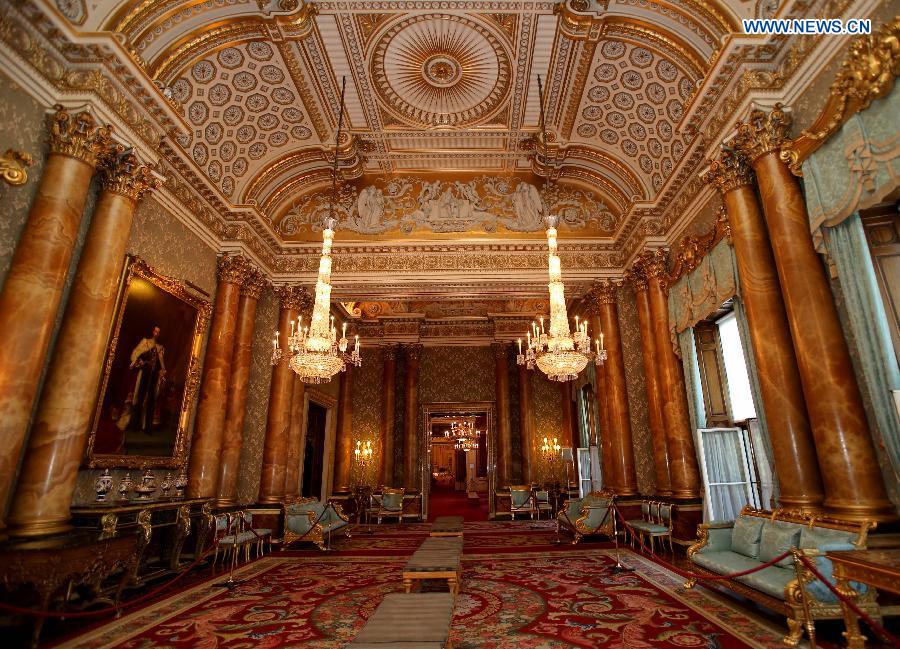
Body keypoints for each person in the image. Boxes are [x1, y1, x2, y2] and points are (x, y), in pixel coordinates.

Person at [128, 325, 166, 433]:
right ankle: (135, 425)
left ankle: (147, 427)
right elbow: (135, 354)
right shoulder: (145, 342)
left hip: (153, 377)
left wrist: (162, 373)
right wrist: (139, 361)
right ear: (152, 331)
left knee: (150, 400)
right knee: (139, 398)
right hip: (144, 373)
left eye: (158, 332)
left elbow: (161, 364)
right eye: (155, 331)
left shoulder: (160, 347)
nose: (156, 333)